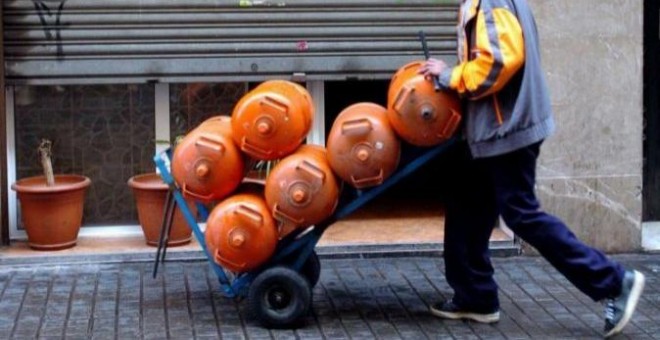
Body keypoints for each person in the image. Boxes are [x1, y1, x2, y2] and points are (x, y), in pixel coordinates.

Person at [418, 0, 645, 337]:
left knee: (522, 213)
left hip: (507, 129)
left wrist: (451, 75)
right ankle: (475, 296)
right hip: (493, 127)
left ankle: (613, 281)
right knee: (467, 201)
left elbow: (499, 63)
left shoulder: (492, 2)